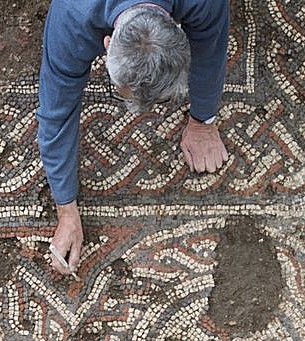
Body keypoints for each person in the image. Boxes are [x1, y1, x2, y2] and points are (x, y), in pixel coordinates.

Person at [37, 0, 231, 276]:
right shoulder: (72, 16)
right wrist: (65, 208)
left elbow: (210, 46)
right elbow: (57, 112)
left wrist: (203, 121)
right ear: (106, 45)